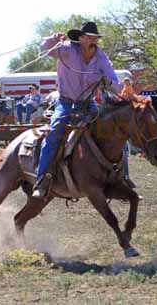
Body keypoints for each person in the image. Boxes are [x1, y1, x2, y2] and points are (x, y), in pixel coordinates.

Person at [33, 21, 123, 199]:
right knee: (54, 133)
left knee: (115, 133)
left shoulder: (101, 57)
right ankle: (41, 179)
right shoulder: (67, 49)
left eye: (94, 38)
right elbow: (44, 49)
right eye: (88, 37)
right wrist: (53, 38)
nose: (92, 40)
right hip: (65, 102)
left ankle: (122, 179)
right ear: (80, 38)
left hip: (87, 103)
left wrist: (110, 84)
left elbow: (116, 84)